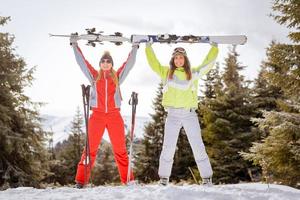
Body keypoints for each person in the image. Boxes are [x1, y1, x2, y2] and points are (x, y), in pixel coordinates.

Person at [145, 42, 219, 185]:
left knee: (197, 145)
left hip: (189, 115)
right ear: (173, 60)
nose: (179, 60)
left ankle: (207, 178)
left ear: (185, 59)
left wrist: (214, 48)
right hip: (172, 115)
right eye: (176, 58)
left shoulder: (193, 73)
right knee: (168, 146)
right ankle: (164, 178)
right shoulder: (166, 73)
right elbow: (153, 63)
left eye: (181, 57)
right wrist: (148, 47)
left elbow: (208, 64)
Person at [70, 36, 139, 188]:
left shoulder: (117, 77)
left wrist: (134, 48)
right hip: (97, 116)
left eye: (108, 61)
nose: (106, 63)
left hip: (114, 116)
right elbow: (82, 62)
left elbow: (129, 64)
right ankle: (80, 181)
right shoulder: (94, 77)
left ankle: (128, 180)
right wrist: (74, 45)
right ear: (100, 64)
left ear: (112, 64)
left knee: (120, 150)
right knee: (90, 149)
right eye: (103, 61)